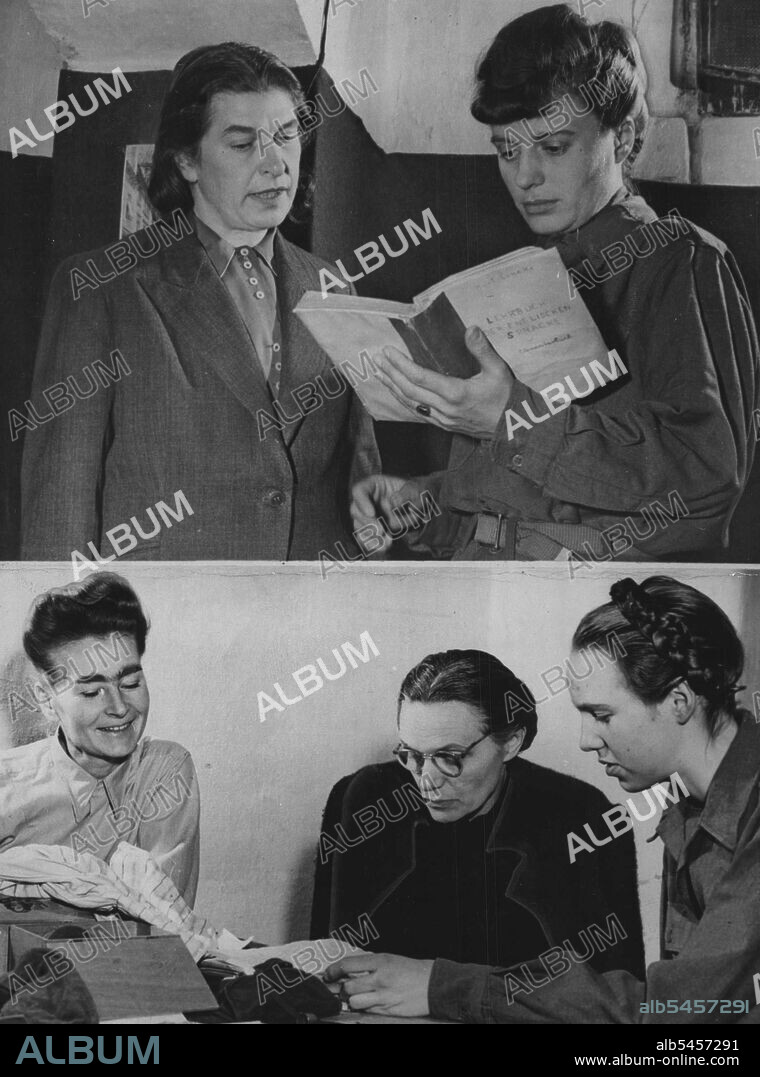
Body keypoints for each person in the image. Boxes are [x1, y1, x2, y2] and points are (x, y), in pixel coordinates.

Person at [351, 4, 758, 563]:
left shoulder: (678, 261)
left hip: (590, 599)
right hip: (483, 583)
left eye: (553, 146)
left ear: (623, 137)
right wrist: (425, 505)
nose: (525, 176)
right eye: (507, 150)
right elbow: (521, 500)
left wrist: (511, 420)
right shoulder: (527, 274)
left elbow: (705, 477)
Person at [325, 576, 760, 1024]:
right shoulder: (690, 806)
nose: (586, 740)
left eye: (601, 715)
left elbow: (675, 1014)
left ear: (679, 702)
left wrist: (443, 987)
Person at [20, 42, 379, 561]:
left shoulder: (335, 288)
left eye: (286, 136)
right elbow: (60, 505)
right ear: (187, 159)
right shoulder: (99, 288)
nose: (275, 164)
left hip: (311, 604)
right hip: (165, 607)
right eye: (243, 144)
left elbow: (362, 486)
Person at [313, 649, 644, 976]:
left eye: (450, 757)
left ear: (511, 742)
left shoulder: (584, 816)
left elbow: (619, 993)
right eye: (412, 755)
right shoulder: (365, 799)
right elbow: (326, 965)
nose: (427, 781)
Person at [0, 572, 200, 904]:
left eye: (131, 683)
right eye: (92, 692)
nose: (120, 708)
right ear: (46, 699)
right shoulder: (6, 785)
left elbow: (164, 917)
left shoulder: (163, 771)